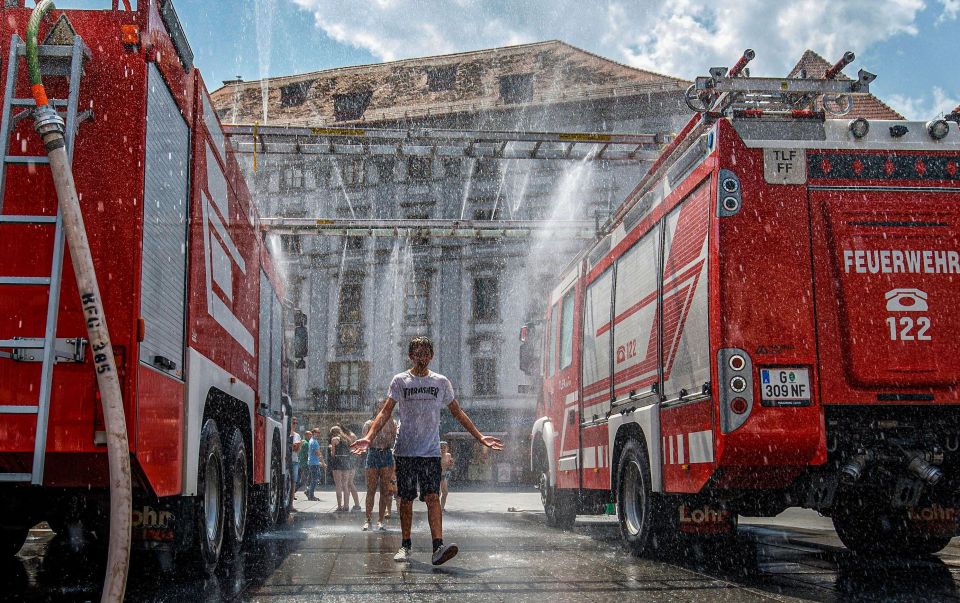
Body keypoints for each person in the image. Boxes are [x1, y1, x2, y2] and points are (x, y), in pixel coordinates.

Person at [351, 336, 503, 566]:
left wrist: (479, 436)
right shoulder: (400, 381)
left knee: (433, 497)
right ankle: (405, 545)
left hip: (431, 452)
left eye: (425, 354)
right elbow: (385, 412)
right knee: (406, 500)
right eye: (417, 354)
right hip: (405, 451)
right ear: (410, 355)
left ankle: (438, 547)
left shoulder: (441, 382)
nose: (421, 358)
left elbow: (457, 412)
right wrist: (369, 437)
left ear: (431, 356)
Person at [361, 401, 397, 531]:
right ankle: (368, 519)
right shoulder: (369, 424)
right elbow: (365, 441)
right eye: (380, 407)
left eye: (385, 407)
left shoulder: (391, 423)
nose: (383, 410)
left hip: (387, 454)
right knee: (370, 489)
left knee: (384, 491)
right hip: (373, 454)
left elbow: (395, 439)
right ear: (376, 409)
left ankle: (380, 521)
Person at [329, 426, 361, 512]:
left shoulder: (334, 439)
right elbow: (350, 451)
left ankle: (339, 506)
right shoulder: (347, 439)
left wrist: (331, 448)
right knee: (346, 485)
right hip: (346, 462)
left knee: (338, 485)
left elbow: (333, 454)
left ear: (333, 433)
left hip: (337, 462)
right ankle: (346, 506)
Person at [306, 430, 326, 501]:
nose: (318, 434)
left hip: (313, 462)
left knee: (314, 478)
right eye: (317, 433)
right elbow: (318, 453)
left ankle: (308, 491)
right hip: (314, 463)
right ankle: (311, 495)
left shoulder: (312, 441)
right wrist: (323, 463)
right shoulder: (314, 442)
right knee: (315, 479)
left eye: (319, 433)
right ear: (313, 433)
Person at [290, 417, 302, 501]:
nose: (295, 425)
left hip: (295, 460)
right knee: (287, 481)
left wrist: (298, 446)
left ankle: (291, 504)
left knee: (294, 481)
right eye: (293, 423)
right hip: (287, 460)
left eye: (296, 423)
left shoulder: (297, 435)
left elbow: (298, 450)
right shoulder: (286, 434)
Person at [440, 441, 454, 511]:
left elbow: (450, 468)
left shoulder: (448, 455)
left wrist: (451, 464)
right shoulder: (437, 455)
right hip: (436, 476)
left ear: (447, 448)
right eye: (441, 448)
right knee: (438, 493)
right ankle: (435, 508)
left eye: (444, 448)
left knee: (445, 493)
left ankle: (441, 508)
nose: (443, 449)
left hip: (444, 475)